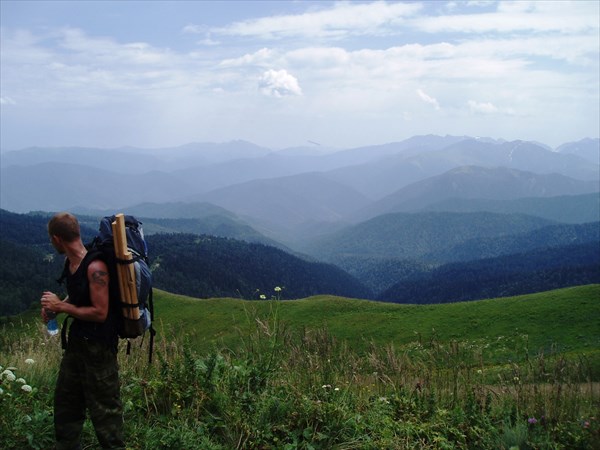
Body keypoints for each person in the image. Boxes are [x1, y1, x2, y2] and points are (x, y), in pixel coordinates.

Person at [41, 212, 125, 449]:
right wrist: (57, 309)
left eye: (51, 239)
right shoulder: (70, 262)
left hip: (99, 349)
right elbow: (78, 296)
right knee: (66, 403)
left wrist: (62, 306)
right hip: (77, 345)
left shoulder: (95, 267)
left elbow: (100, 312)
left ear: (57, 238)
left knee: (106, 412)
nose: (51, 243)